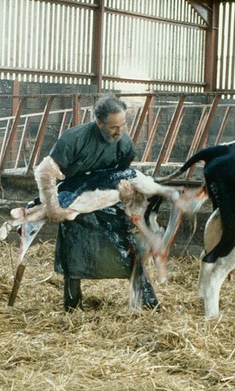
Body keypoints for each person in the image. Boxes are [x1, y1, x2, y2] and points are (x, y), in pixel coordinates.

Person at [36, 94, 158, 310]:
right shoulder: (74, 138)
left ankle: (148, 304)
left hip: (106, 202)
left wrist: (127, 194)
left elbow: (124, 175)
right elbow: (45, 171)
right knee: (74, 254)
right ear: (99, 122)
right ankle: (72, 307)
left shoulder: (124, 143)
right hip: (75, 199)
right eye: (113, 127)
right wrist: (53, 208)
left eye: (123, 125)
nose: (119, 132)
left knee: (126, 250)